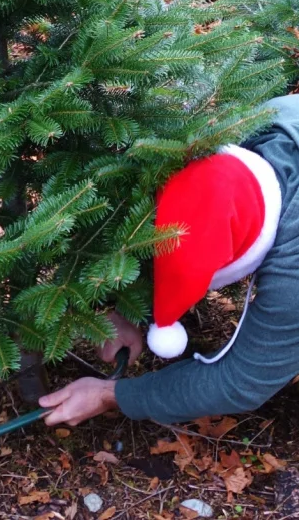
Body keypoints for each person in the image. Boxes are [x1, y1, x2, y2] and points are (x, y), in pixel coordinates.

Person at [39, 94, 299, 428]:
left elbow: (241, 382)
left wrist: (111, 395)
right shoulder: (249, 122)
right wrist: (132, 309)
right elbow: (180, 223)